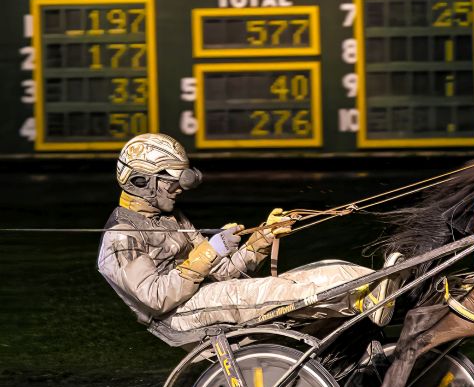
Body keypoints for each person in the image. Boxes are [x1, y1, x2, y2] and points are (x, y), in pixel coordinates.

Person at [97, 132, 400, 333]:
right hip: (178, 315)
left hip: (205, 296)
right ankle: (364, 299)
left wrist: (262, 239)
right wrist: (208, 253)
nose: (179, 189)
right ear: (141, 182)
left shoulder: (173, 219)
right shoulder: (121, 237)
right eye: (171, 182)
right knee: (268, 293)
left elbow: (223, 273)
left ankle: (376, 285)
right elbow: (155, 298)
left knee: (302, 277)